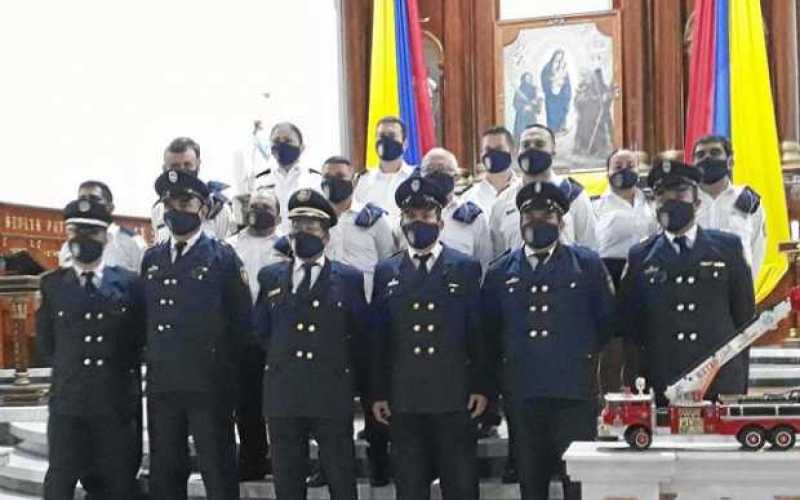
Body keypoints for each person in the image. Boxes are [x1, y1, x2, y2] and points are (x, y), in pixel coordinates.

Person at [482, 181, 615, 500]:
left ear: (562, 221)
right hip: (523, 395)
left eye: (547, 214)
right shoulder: (501, 271)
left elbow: (607, 323)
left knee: (578, 484)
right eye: (529, 214)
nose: (537, 221)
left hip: (573, 394)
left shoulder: (586, 265)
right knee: (531, 482)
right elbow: (489, 332)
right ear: (520, 220)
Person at [371, 175, 489, 500]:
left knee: (461, 486)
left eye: (425, 216)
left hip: (452, 395)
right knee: (410, 488)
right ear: (401, 220)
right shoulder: (387, 272)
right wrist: (379, 392)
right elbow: (380, 339)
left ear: (440, 220)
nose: (417, 223)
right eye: (411, 216)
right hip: (405, 399)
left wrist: (481, 385)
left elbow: (477, 333)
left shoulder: (464, 268)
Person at [142, 169, 252, 500]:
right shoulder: (153, 258)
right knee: (165, 472)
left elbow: (241, 326)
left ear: (203, 208)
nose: (177, 209)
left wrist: (232, 383)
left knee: (217, 469)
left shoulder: (222, 257)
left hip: (209, 385)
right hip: (163, 385)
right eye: (170, 202)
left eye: (186, 201)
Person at [254, 188, 369, 500]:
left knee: (340, 478)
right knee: (288, 483)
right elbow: (262, 331)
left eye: (311, 226)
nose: (302, 232)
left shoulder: (348, 279)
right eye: (297, 226)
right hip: (284, 393)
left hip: (330, 392)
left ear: (326, 236)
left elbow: (359, 335)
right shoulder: (270, 277)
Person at [619, 159, 756, 405]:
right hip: (663, 381)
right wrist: (636, 382)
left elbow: (744, 318)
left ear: (697, 201)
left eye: (680, 192)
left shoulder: (728, 248)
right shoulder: (640, 256)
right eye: (662, 195)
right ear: (654, 204)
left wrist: (738, 379)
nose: (671, 201)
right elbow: (631, 328)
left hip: (717, 379)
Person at [38, 198, 145, 500]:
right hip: (68, 406)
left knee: (118, 484)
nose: (82, 239)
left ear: (106, 238)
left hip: (114, 406)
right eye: (75, 231)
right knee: (59, 481)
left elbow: (137, 339)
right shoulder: (52, 285)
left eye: (91, 232)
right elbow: (47, 344)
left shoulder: (129, 285)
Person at [226, 190, 287, 481]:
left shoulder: (287, 244)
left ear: (278, 213)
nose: (258, 210)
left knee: (279, 400)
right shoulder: (229, 245)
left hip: (279, 332)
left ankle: (282, 459)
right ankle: (253, 458)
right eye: (254, 206)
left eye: (265, 206)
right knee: (246, 401)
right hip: (243, 331)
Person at [592, 149, 660, 396]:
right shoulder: (596, 206)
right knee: (612, 347)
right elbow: (590, 244)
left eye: (629, 164)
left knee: (640, 343)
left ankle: (643, 397)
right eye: (617, 165)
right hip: (609, 275)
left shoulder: (652, 203)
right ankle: (609, 400)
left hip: (646, 274)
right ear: (608, 172)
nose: (624, 170)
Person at [490, 123, 598, 256]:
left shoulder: (574, 195)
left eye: (539, 144)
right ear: (518, 151)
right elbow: (498, 255)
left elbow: (590, 248)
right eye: (526, 145)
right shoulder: (503, 201)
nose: (532, 149)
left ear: (553, 150)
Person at [692, 134, 766, 279]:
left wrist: (746, 288)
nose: (707, 158)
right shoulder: (685, 201)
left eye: (715, 152)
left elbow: (757, 249)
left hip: (736, 288)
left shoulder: (748, 200)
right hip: (693, 291)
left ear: (730, 162)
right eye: (700, 155)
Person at [419, 148, 493, 273]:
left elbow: (484, 265)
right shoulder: (409, 215)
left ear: (456, 177)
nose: (436, 174)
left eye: (442, 169)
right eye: (430, 169)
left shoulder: (473, 218)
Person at [151, 137, 236, 242]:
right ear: (165, 169)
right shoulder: (158, 210)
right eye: (175, 166)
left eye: (187, 165)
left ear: (198, 164)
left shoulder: (218, 210)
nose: (182, 171)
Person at [57, 180, 146, 272]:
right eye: (82, 199)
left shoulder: (132, 242)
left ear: (110, 207)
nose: (88, 204)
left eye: (94, 199)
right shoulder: (68, 246)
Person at [254, 122, 324, 234]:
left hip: (304, 244)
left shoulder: (316, 180)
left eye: (288, 141)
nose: (282, 145)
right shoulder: (259, 182)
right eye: (276, 141)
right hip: (270, 247)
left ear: (302, 147)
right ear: (271, 148)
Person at [353, 116, 416, 227]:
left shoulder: (415, 179)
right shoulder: (362, 181)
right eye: (381, 136)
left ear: (405, 144)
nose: (386, 140)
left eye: (392, 136)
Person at [461, 126, 522, 216]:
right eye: (488, 150)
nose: (493, 154)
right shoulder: (468, 199)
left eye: (499, 149)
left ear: (512, 151)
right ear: (481, 154)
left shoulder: (524, 191)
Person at [540, 50, 571, 134]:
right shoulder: (547, 67)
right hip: (551, 96)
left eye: (561, 56)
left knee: (561, 111)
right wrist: (550, 81)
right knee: (552, 112)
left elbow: (567, 81)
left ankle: (561, 128)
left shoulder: (563, 67)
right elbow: (544, 77)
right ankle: (552, 130)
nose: (559, 58)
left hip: (561, 95)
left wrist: (566, 90)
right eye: (558, 55)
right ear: (554, 56)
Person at [512, 73, 542, 140]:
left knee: (532, 134)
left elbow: (539, 101)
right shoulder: (520, 90)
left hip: (531, 116)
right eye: (526, 79)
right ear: (523, 80)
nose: (527, 81)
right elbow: (515, 103)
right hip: (521, 117)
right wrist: (523, 107)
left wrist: (535, 104)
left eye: (529, 79)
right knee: (521, 135)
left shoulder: (534, 89)